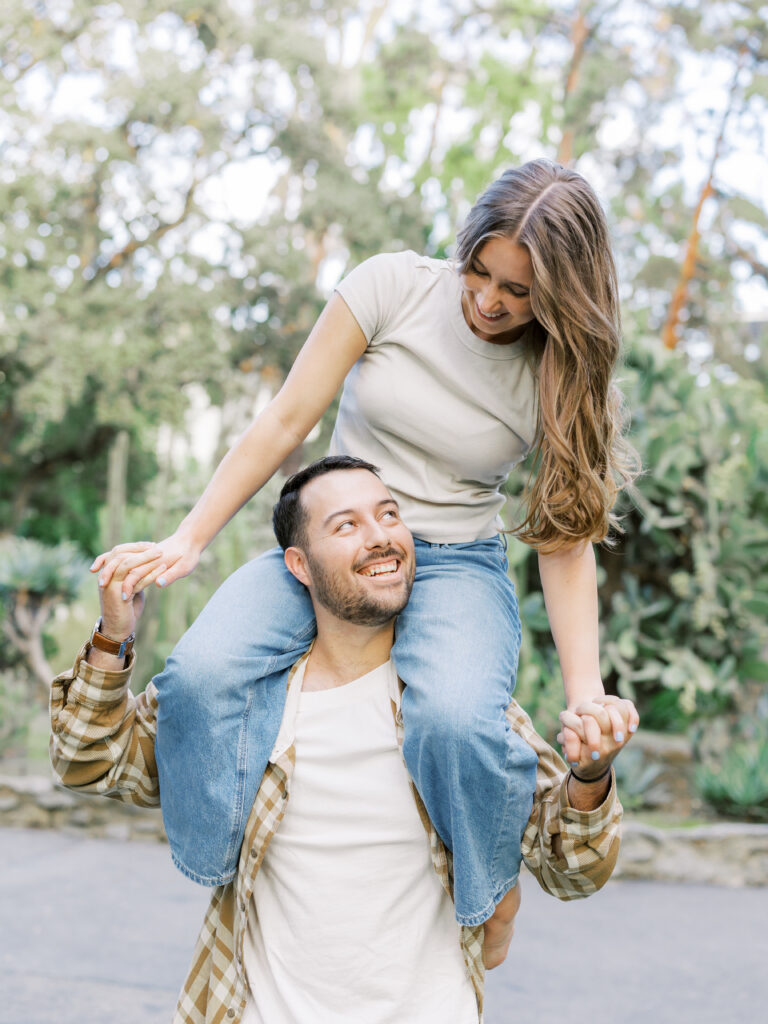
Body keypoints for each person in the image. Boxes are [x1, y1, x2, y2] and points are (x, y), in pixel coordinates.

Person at [91, 159, 638, 935]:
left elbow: (565, 537)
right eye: (479, 271)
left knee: (453, 719)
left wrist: (585, 691)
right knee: (202, 675)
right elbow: (286, 420)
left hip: (452, 561)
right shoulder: (390, 288)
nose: (487, 301)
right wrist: (190, 535)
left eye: (518, 292)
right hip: (339, 536)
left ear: (562, 293)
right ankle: (223, 864)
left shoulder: (559, 370)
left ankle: (489, 895)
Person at [53, 457, 634, 1024]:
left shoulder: (460, 714)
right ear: (299, 565)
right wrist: (112, 637)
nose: (381, 537)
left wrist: (590, 776)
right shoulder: (242, 705)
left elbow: (574, 870)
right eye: (347, 525)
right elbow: (86, 760)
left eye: (389, 515)